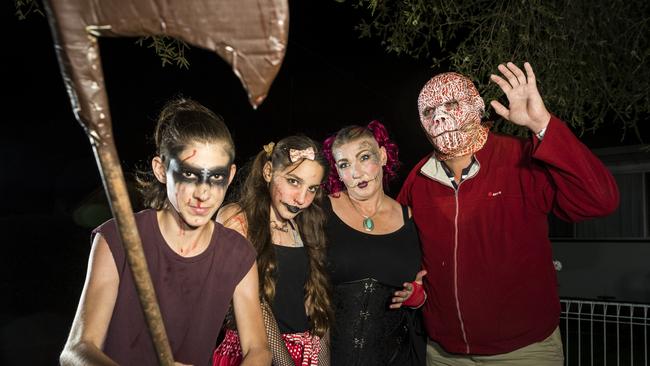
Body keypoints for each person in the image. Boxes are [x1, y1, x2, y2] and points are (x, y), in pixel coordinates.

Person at [397, 62, 620, 365]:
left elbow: (599, 200)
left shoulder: (520, 158)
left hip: (523, 350)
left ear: (477, 107)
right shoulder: (418, 178)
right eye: (428, 111)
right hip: (444, 353)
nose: (440, 116)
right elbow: (397, 245)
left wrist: (543, 125)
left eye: (451, 103)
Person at [60, 98, 271, 366]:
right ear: (161, 169)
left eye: (216, 177)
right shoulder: (118, 238)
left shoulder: (238, 253)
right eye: (190, 175)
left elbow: (259, 350)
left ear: (229, 176)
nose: (203, 193)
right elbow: (76, 349)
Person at [212, 136, 333, 366]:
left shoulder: (304, 225)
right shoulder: (237, 219)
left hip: (305, 357)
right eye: (293, 182)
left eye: (312, 188)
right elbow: (255, 301)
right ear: (268, 172)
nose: (302, 199)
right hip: (252, 355)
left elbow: (316, 303)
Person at [322, 120, 427, 366]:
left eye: (364, 157)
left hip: (397, 358)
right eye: (345, 164)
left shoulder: (411, 219)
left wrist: (418, 297)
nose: (356, 173)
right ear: (337, 171)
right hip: (328, 358)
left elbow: (433, 287)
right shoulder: (319, 210)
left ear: (381, 156)